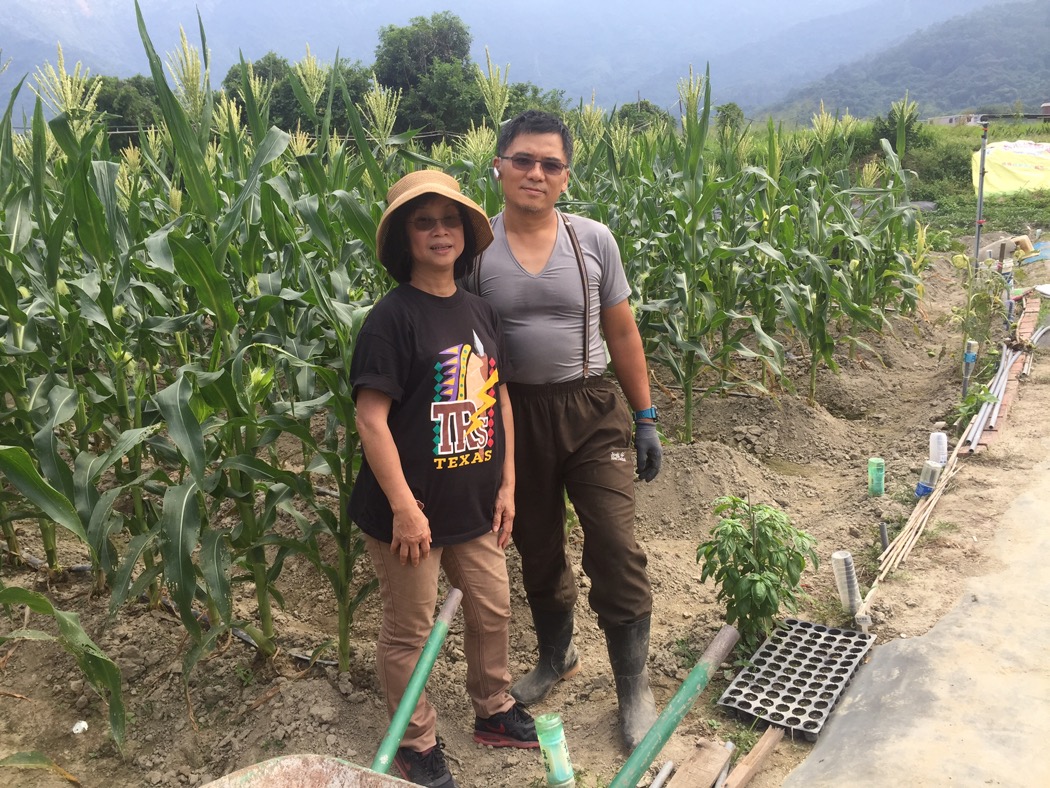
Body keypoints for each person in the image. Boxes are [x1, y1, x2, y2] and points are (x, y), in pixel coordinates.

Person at [468, 110, 663, 750]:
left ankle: (632, 687)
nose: (536, 173)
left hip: (590, 408)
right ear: (498, 166)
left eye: (551, 164)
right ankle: (557, 655)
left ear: (566, 177)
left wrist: (646, 417)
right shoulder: (476, 249)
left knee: (614, 542)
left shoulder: (593, 241)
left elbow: (622, 332)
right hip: (513, 415)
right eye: (523, 160)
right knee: (538, 546)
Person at [349, 170, 539, 788]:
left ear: (465, 233)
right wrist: (405, 509)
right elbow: (371, 420)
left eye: (449, 220)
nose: (440, 232)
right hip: (411, 513)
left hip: (473, 504)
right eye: (424, 222)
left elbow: (499, 399)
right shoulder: (391, 319)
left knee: (492, 608)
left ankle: (494, 708)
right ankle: (414, 741)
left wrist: (507, 485)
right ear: (405, 238)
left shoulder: (479, 311)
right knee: (410, 630)